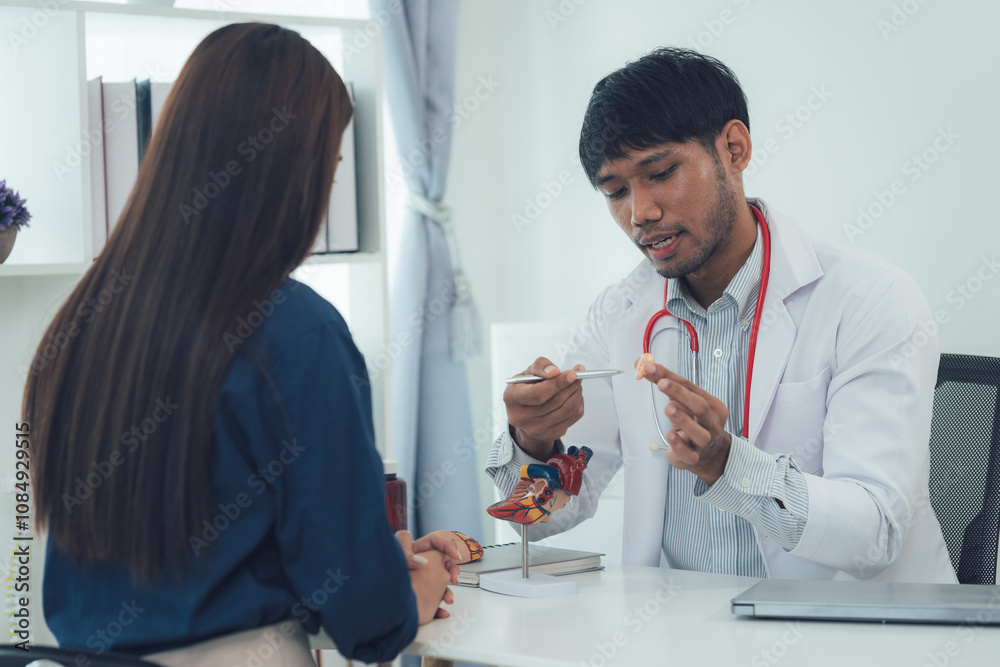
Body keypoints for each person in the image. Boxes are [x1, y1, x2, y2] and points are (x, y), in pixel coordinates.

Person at [25, 23, 459, 666]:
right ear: (289, 172)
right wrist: (412, 586)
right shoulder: (295, 332)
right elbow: (367, 620)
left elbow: (188, 567)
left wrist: (357, 569)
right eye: (329, 170)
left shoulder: (82, 325)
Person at [487, 47, 956, 583]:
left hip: (849, 637)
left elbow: (876, 534)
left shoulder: (871, 298)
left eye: (661, 173)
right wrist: (533, 442)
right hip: (678, 635)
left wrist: (728, 463)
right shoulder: (618, 314)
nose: (640, 213)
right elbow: (543, 516)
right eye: (615, 191)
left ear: (734, 148)